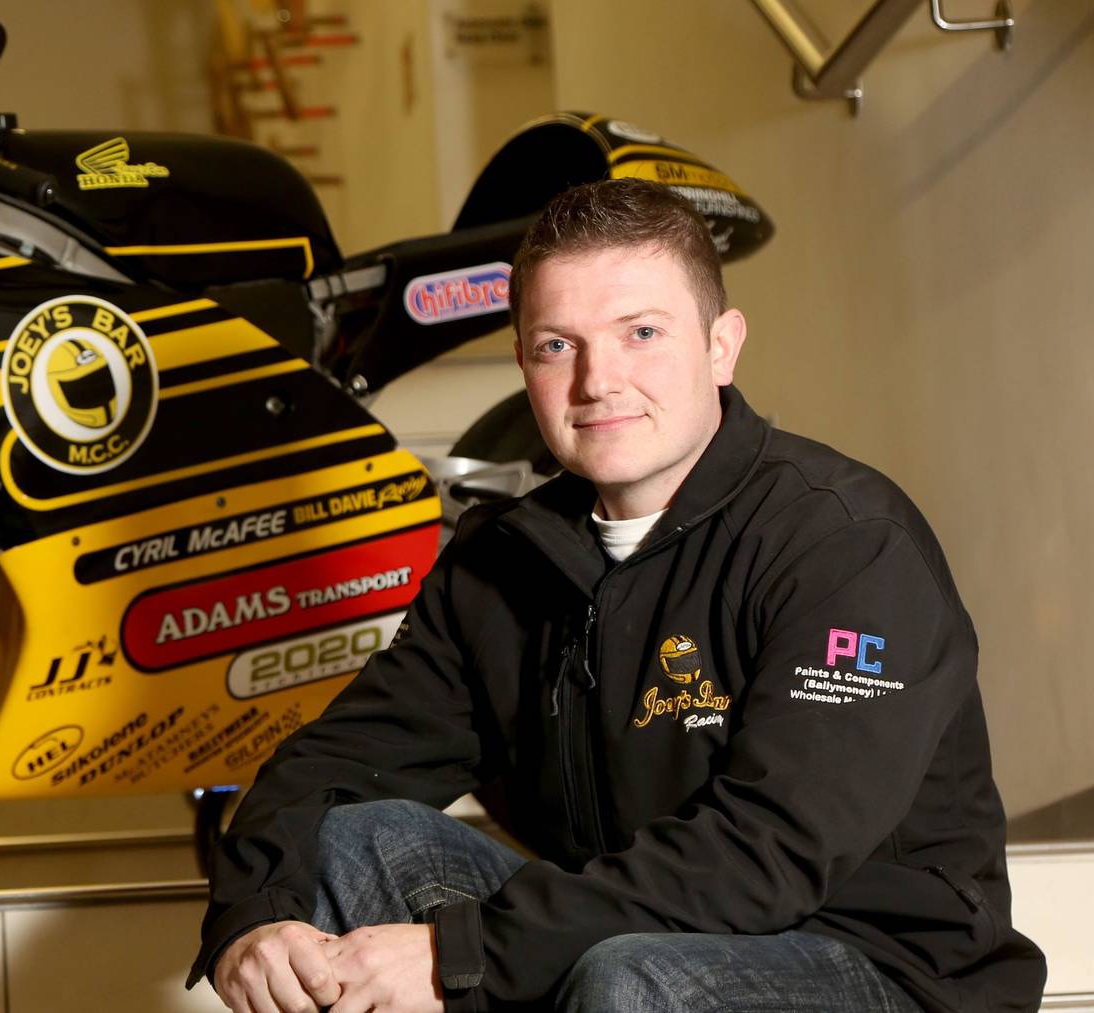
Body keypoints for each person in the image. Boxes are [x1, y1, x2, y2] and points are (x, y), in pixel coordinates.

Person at [187, 179, 1046, 1012]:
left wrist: (463, 952)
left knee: (634, 983)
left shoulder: (844, 544)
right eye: (556, 344)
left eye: (641, 332)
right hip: (619, 941)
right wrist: (250, 922)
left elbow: (769, 853)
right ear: (524, 363)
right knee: (352, 844)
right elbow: (328, 769)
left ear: (721, 344)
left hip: (883, 967)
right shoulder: (506, 563)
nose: (597, 379)